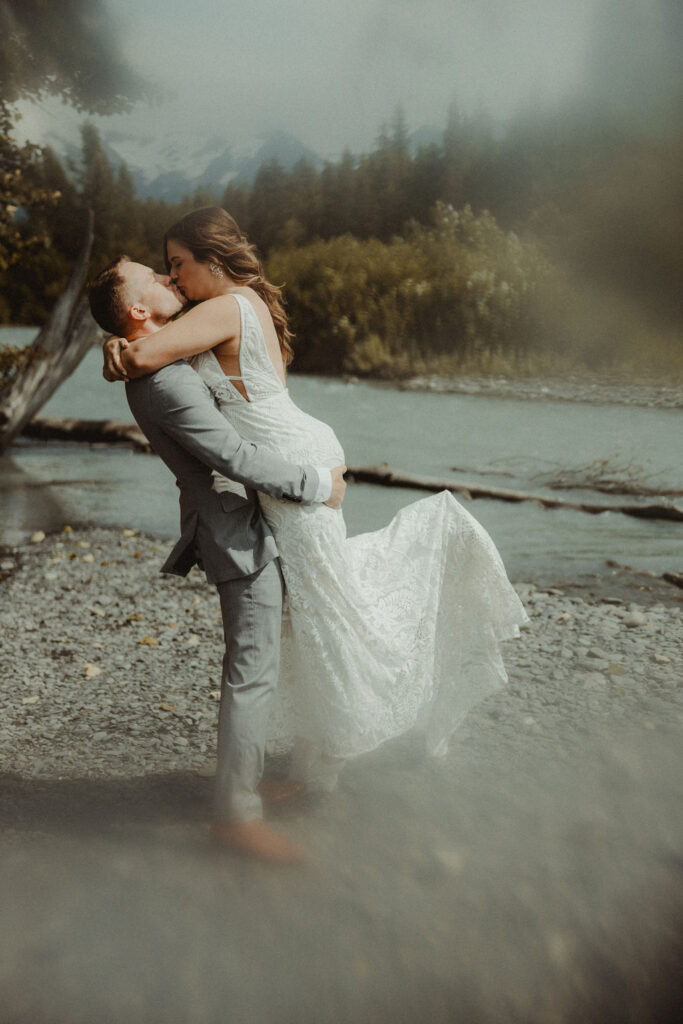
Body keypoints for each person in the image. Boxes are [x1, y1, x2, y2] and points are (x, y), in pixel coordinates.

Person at [103, 206, 528, 798]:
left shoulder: (227, 306)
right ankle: (313, 772)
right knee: (315, 617)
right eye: (166, 269)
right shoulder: (237, 304)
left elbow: (144, 356)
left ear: (212, 259)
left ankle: (323, 767)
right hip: (292, 458)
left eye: (178, 264)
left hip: (293, 470)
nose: (175, 278)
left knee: (329, 616)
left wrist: (116, 348)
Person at [89, 257, 347, 865]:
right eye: (155, 277)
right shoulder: (164, 381)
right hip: (236, 534)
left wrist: (119, 349)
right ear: (138, 312)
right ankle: (236, 816)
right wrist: (316, 484)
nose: (167, 277)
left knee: (276, 655)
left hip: (247, 525)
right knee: (251, 672)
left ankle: (270, 781)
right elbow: (231, 455)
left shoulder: (155, 362)